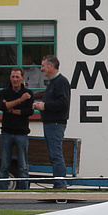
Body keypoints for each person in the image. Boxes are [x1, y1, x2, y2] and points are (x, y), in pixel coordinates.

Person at [33, 55, 71, 189]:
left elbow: (63, 103)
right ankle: (59, 183)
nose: (41, 69)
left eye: (43, 65)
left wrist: (45, 106)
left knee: (56, 155)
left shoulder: (61, 82)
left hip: (55, 124)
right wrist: (41, 104)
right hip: (50, 123)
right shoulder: (53, 82)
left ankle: (60, 184)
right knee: (53, 155)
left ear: (51, 66)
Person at [0, 67, 33, 189]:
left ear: (22, 78)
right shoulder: (4, 92)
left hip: (22, 134)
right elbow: (2, 107)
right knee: (4, 166)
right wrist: (20, 100)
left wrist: (11, 109)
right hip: (6, 132)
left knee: (23, 166)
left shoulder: (29, 93)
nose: (15, 79)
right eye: (13, 76)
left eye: (17, 77)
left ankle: (24, 193)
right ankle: (1, 192)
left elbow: (29, 111)